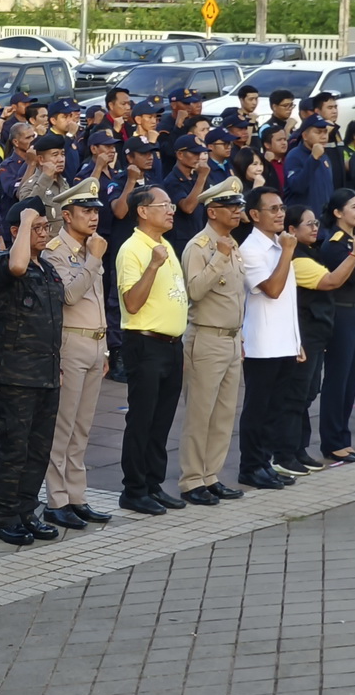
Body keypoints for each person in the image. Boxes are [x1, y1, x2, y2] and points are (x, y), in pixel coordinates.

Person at [0, 198, 66, 546]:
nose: (44, 233)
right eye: (36, 228)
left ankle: (25, 512)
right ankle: (4, 517)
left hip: (46, 372)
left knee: (38, 449)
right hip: (16, 375)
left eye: (46, 227)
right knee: (13, 450)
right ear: (17, 231)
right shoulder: (6, 262)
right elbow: (17, 267)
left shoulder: (47, 269)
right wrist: (26, 216)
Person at [42, 182, 114, 528]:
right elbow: (69, 296)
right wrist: (94, 259)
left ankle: (77, 495)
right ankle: (56, 500)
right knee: (63, 426)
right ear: (66, 215)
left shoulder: (91, 247)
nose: (94, 217)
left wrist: (104, 347)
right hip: (70, 342)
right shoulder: (55, 251)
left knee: (82, 427)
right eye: (86, 211)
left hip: (93, 341)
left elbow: (97, 301)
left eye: (96, 210)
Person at [116, 185, 188, 515]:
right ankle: (133, 489)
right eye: (165, 204)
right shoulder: (133, 249)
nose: (171, 209)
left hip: (172, 345)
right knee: (142, 419)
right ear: (143, 211)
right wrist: (153, 266)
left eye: (172, 204)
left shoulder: (164, 244)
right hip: (144, 343)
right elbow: (132, 302)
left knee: (162, 421)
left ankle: (153, 484)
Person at [177, 178, 249, 505]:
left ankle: (211, 475)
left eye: (239, 206)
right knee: (200, 414)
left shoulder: (230, 243)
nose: (238, 212)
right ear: (212, 211)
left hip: (232, 339)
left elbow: (236, 295)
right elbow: (194, 290)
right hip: (206, 337)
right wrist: (218, 258)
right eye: (231, 207)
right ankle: (192, 480)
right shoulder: (200, 246)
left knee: (223, 415)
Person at [235, 186, 304, 490]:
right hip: (262, 342)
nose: (280, 214)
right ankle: (250, 466)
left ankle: (265, 463)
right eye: (272, 209)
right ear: (254, 215)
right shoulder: (251, 250)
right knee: (258, 408)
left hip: (284, 341)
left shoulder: (278, 244)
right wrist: (288, 252)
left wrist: (296, 338)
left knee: (276, 407)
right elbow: (272, 290)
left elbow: (290, 299)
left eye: (281, 208)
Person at [317, 190, 355, 462]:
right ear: (337, 213)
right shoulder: (334, 244)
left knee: (352, 380)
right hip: (342, 314)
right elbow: (354, 277)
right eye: (353, 207)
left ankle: (344, 436)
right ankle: (332, 441)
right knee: (338, 379)